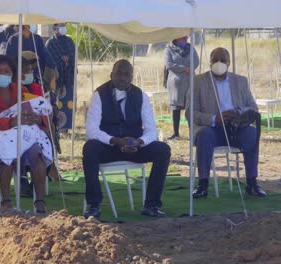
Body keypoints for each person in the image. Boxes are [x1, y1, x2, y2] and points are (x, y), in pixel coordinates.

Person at [83, 59, 171, 219]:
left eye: (126, 74)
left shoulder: (141, 95)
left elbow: (151, 130)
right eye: (118, 73)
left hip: (134, 148)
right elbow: (91, 130)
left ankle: (151, 205)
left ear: (131, 77)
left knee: (163, 150)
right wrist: (115, 140)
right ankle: (94, 205)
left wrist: (139, 142)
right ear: (111, 75)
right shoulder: (99, 95)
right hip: (109, 147)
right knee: (90, 148)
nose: (122, 78)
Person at [0, 55, 51, 213]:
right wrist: (11, 122)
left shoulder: (21, 91)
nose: (3, 74)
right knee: (5, 154)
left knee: (37, 153)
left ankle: (40, 201)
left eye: (7, 71)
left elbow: (38, 110)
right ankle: (6, 201)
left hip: (25, 137)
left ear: (12, 74)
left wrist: (38, 119)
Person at [186, 47, 266, 199]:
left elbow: (253, 107)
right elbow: (190, 112)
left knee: (252, 134)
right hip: (212, 128)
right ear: (209, 62)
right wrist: (214, 118)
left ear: (229, 63)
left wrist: (238, 112)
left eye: (223, 60)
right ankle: (203, 184)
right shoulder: (198, 82)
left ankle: (252, 182)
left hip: (236, 127)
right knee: (203, 134)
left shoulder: (241, 81)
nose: (219, 63)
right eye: (215, 60)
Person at [164, 36, 199, 140]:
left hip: (190, 82)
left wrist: (191, 68)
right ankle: (176, 133)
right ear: (176, 38)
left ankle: (192, 133)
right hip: (175, 84)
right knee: (176, 108)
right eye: (182, 38)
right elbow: (168, 64)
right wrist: (184, 68)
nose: (184, 39)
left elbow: (196, 61)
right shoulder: (168, 49)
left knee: (190, 108)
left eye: (185, 38)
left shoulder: (191, 48)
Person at [5, 25, 58, 92]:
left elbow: (46, 57)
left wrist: (52, 75)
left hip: (34, 77)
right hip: (18, 79)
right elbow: (7, 61)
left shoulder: (36, 39)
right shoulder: (13, 40)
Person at [46, 22, 76, 132]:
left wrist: (69, 60)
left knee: (68, 102)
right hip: (56, 79)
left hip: (68, 78)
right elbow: (49, 60)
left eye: (64, 25)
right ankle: (56, 126)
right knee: (56, 102)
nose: (63, 27)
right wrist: (60, 60)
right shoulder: (51, 42)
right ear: (55, 27)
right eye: (60, 25)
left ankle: (66, 128)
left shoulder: (69, 41)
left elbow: (74, 55)